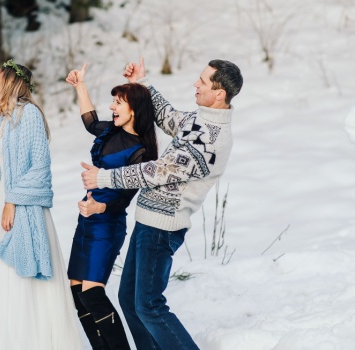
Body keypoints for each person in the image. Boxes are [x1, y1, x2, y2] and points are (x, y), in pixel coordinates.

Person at [81, 58, 244, 350]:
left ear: (220, 93)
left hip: (162, 228)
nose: (196, 84)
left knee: (149, 306)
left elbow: (158, 172)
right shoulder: (200, 119)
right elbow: (168, 117)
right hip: (148, 222)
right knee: (130, 301)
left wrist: (104, 178)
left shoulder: (211, 139)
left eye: (203, 82)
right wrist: (142, 83)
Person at [0, 59, 82, 349]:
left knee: (19, 276)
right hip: (4, 202)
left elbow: (40, 166)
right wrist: (5, 201)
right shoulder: (2, 120)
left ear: (8, 82)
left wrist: (13, 201)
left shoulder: (28, 114)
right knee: (1, 278)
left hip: (22, 204)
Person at [64, 63, 159, 350]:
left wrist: (100, 209)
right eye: (114, 101)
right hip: (87, 219)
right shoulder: (110, 132)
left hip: (107, 223)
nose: (112, 106)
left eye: (119, 102)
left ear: (134, 110)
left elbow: (125, 196)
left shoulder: (140, 150)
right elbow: (91, 121)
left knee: (93, 293)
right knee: (77, 292)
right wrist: (80, 85)